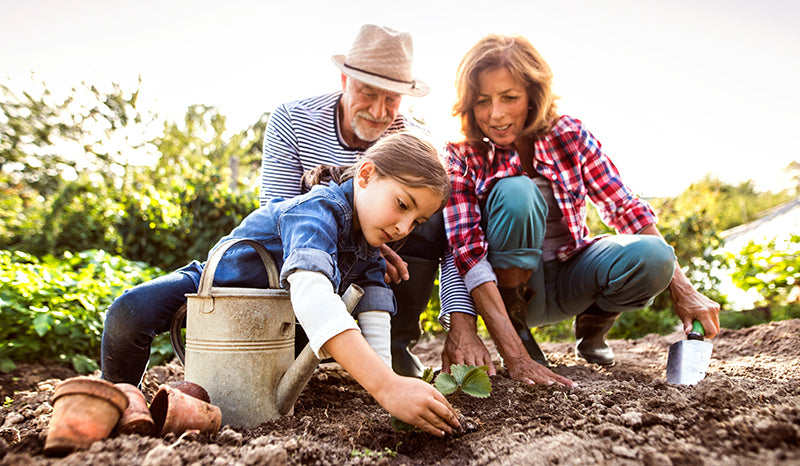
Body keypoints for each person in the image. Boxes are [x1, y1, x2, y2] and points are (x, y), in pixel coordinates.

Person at [101, 133, 460, 436]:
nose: (403, 228)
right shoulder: (318, 211)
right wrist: (386, 387)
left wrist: (386, 380)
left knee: (303, 348)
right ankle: (118, 399)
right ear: (365, 175)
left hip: (270, 326)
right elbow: (311, 291)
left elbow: (375, 310)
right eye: (402, 205)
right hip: (215, 287)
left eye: (417, 221)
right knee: (129, 311)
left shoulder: (368, 243)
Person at [438, 34, 721, 387]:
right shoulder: (462, 155)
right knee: (517, 192)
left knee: (656, 256)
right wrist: (517, 358)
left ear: (532, 96)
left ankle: (592, 327)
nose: (496, 114)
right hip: (511, 292)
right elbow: (466, 255)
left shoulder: (568, 134)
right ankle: (520, 332)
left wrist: (684, 290)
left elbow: (624, 207)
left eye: (509, 97)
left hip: (573, 274)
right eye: (483, 101)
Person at [260, 24, 451, 377]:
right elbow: (278, 210)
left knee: (428, 208)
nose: (380, 111)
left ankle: (395, 341)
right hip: (310, 252)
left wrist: (458, 322)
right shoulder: (292, 119)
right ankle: (297, 336)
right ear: (345, 82)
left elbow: (445, 239)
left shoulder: (410, 139)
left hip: (375, 255)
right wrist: (367, 246)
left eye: (392, 99)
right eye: (368, 92)